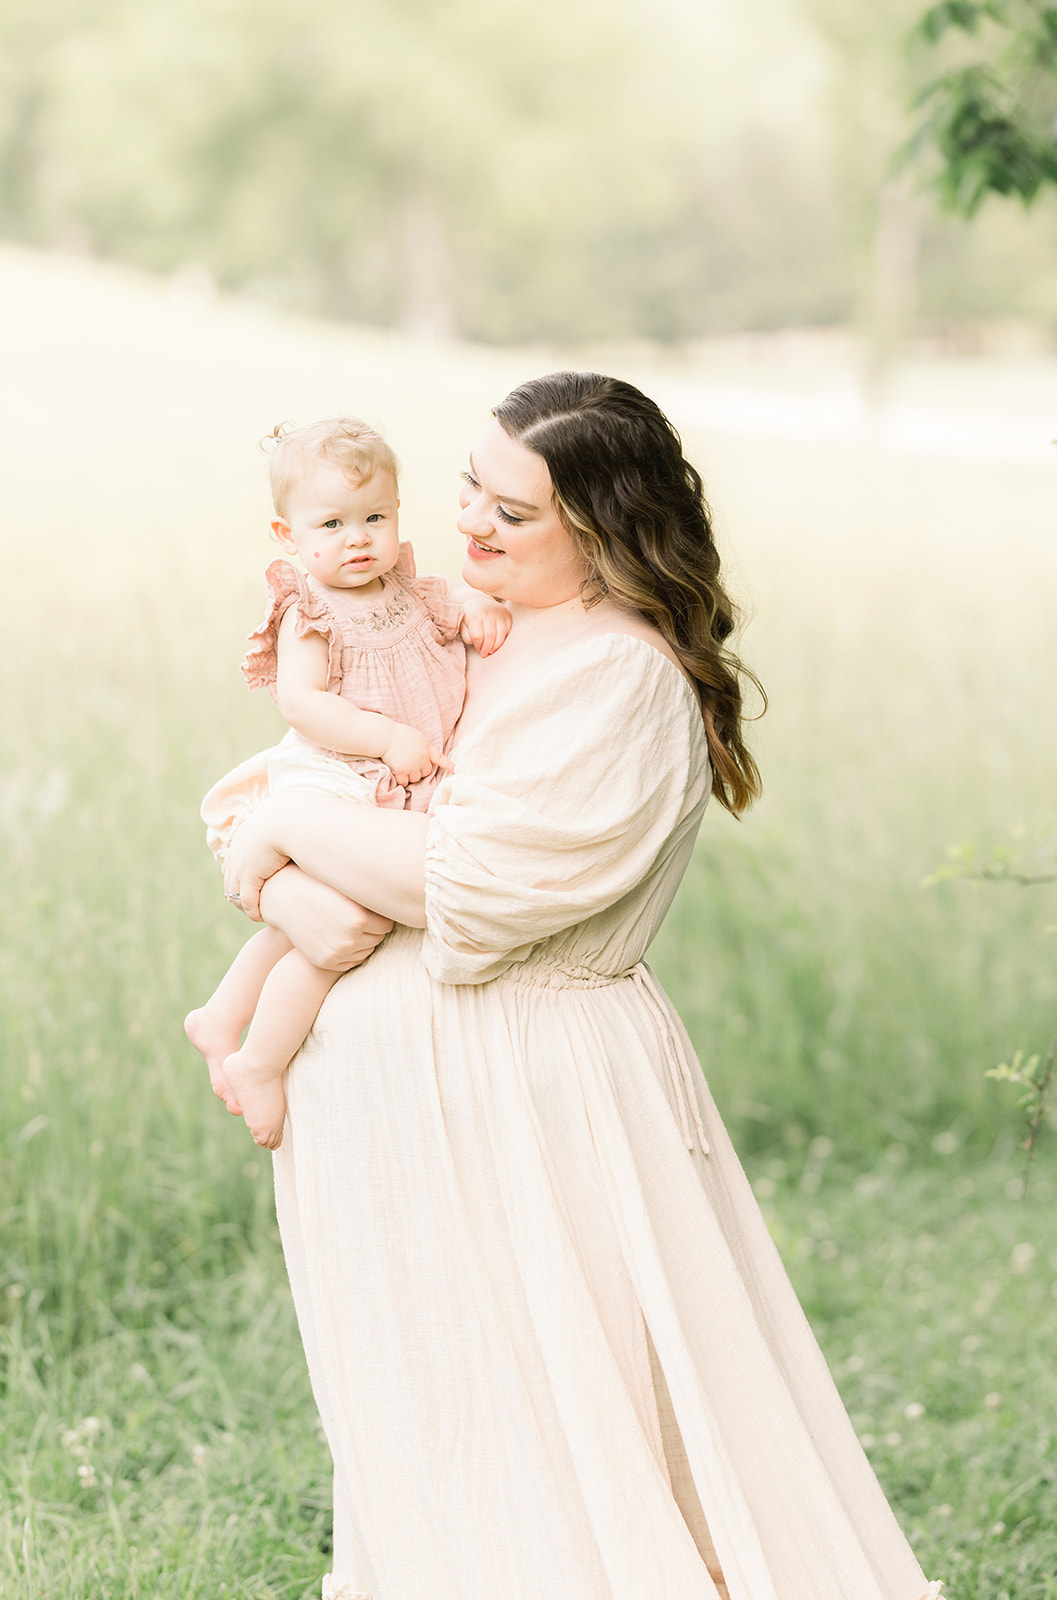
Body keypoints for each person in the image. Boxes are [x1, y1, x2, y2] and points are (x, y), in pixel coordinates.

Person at [222, 373, 943, 1600]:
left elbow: (457, 878)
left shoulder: (615, 675)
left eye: (515, 511)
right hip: (394, 1112)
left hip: (532, 1098)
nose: (470, 525)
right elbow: (268, 791)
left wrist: (287, 829)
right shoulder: (445, 625)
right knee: (448, 1427)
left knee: (587, 1424)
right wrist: (279, 879)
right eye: (469, 488)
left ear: (603, 528)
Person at [185, 417, 510, 1148]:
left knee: (319, 926)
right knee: (336, 933)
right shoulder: (311, 611)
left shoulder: (409, 586)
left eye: (374, 517)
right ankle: (260, 1061)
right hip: (337, 773)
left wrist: (478, 607)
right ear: (287, 534)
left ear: (398, 514)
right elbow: (303, 704)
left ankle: (219, 1014)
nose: (358, 538)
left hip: (387, 777)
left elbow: (451, 604)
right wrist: (387, 737)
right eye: (331, 523)